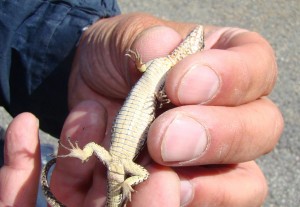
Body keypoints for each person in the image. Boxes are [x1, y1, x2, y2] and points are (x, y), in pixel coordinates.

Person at [0, 1, 283, 207]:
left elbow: (161, 102)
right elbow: (145, 68)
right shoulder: (164, 63)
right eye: (191, 41)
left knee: (145, 175)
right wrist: (136, 63)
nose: (191, 39)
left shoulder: (174, 73)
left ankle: (112, 182)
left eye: (195, 46)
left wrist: (125, 182)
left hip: (118, 161)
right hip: (117, 154)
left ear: (192, 56)